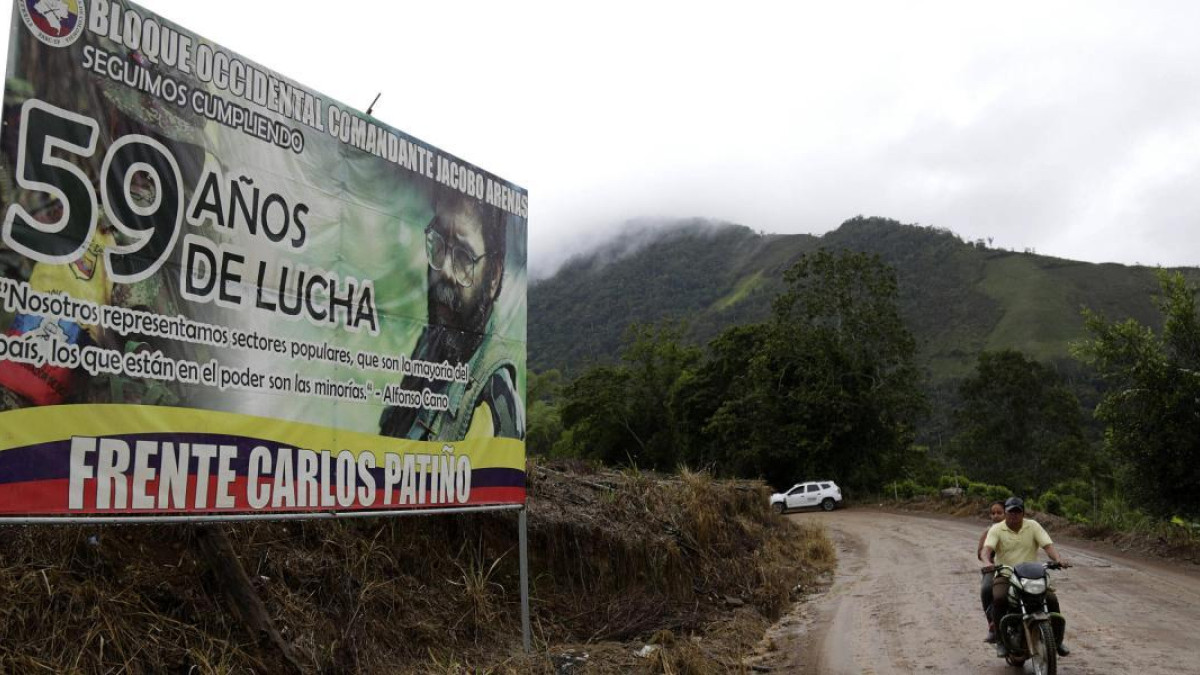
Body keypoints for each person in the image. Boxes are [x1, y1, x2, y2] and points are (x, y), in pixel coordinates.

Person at [378, 188, 524, 441]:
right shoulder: (431, 344)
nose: (444, 269)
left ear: (494, 276)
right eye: (438, 243)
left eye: (464, 257)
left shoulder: (492, 400)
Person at [981, 496, 1072, 657]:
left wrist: (1058, 559)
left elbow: (1048, 547)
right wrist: (987, 562)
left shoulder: (1033, 526)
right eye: (1010, 512)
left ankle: (1057, 641)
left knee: (1051, 600)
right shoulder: (997, 529)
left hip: (1032, 575)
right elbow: (986, 550)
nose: (1014, 515)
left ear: (1023, 513)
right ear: (1006, 513)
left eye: (1017, 512)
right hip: (1007, 575)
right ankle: (1001, 641)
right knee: (999, 598)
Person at [977, 500, 1006, 642]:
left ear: (1006, 513)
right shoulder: (988, 532)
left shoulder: (1014, 530)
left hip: (1014, 566)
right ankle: (992, 626)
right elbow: (980, 553)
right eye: (993, 513)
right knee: (986, 589)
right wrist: (989, 562)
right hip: (994, 568)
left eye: (999, 512)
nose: (995, 516)